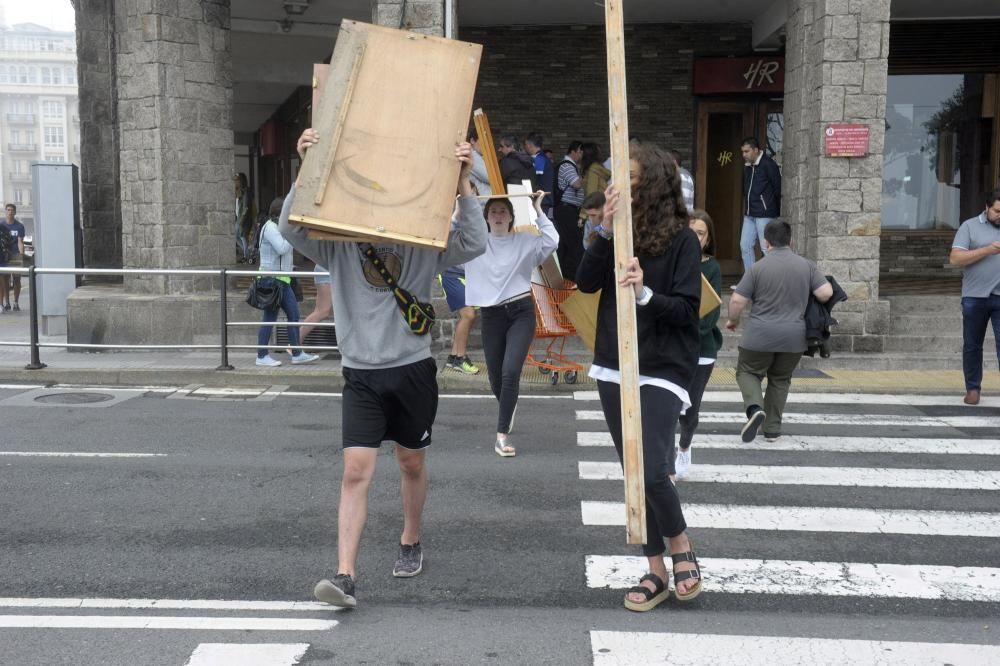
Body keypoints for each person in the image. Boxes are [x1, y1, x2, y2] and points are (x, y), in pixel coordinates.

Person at [279, 128, 487, 609]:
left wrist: (462, 181)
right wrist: (306, 164)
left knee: (410, 461)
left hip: (412, 367)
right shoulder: (338, 239)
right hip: (361, 372)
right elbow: (291, 227)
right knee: (356, 470)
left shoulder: (422, 234)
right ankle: (345, 574)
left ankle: (411, 538)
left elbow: (473, 242)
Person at [576, 141, 703, 611]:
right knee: (634, 473)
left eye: (627, 176)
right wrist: (604, 229)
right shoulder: (616, 233)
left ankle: (681, 545)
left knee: (652, 468)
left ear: (650, 181)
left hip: (664, 365)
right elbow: (586, 283)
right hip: (615, 361)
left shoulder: (684, 239)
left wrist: (645, 292)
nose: (616, 184)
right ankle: (654, 572)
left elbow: (689, 311)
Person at [465, 191, 559, 457]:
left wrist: (538, 210)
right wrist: (459, 210)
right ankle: (509, 403)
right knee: (495, 376)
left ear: (511, 217)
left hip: (521, 312)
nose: (497, 216)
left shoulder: (525, 241)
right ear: (486, 217)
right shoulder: (476, 243)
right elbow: (448, 237)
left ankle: (501, 436)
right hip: (491, 315)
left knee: (510, 371)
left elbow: (552, 240)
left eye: (502, 212)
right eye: (493, 211)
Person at [726, 220, 832, 442]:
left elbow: (737, 300)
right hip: (794, 337)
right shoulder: (807, 266)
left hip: (759, 336)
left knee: (747, 371)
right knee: (780, 379)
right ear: (790, 240)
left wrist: (732, 320)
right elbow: (825, 293)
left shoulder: (757, 268)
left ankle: (755, 409)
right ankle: (772, 429)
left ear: (766, 242)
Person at [675, 209, 723, 479]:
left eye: (701, 233)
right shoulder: (676, 261)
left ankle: (684, 445)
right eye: (691, 231)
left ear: (708, 238)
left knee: (690, 408)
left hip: (701, 348)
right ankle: (663, 458)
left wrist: (688, 330)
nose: (695, 237)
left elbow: (711, 314)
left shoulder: (712, 267)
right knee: (667, 404)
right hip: (674, 347)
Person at [949, 187, 1000, 406]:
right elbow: (955, 259)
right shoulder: (969, 226)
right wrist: (988, 250)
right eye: (997, 211)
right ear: (987, 207)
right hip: (974, 297)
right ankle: (972, 388)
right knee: (972, 345)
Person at [255, 197, 319, 368]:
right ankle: (261, 355)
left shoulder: (278, 228)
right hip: (270, 279)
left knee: (294, 315)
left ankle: (297, 353)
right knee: (270, 317)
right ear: (280, 213)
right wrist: (292, 235)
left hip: (283, 280)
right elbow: (282, 248)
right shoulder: (270, 228)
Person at [739, 137, 781, 273]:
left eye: (746, 151)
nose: (743, 155)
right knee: (745, 245)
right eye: (743, 152)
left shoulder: (769, 165)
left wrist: (771, 208)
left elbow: (777, 188)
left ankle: (774, 281)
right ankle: (751, 281)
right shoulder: (748, 167)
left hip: (765, 214)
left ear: (756, 150)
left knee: (767, 248)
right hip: (750, 214)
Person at [439, 265, 480, 375]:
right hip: (451, 274)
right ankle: (460, 359)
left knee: (467, 316)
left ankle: (453, 357)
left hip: (466, 275)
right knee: (468, 315)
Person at [554, 141, 585, 279]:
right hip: (566, 210)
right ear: (573, 151)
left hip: (569, 210)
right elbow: (577, 184)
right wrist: (586, 178)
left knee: (566, 244)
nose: (582, 155)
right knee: (574, 244)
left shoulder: (572, 166)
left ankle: (565, 275)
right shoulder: (567, 166)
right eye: (580, 152)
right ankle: (572, 276)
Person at [297, 264, 332, 345]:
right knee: (322, 311)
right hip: (327, 268)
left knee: (322, 311)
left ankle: (294, 345)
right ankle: (294, 344)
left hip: (329, 268)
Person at [2, 204, 26, 311]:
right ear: (5, 211)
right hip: (4, 256)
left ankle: (16, 302)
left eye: (12, 210)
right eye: (8, 210)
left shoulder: (19, 226)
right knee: (5, 280)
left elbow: (20, 242)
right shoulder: (1, 225)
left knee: (17, 279)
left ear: (15, 212)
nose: (10, 212)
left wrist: (22, 256)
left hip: (15, 255)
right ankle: (7, 302)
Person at [524, 133, 554, 212]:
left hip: (543, 201)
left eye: (526, 145)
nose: (525, 147)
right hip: (544, 199)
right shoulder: (540, 157)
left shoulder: (539, 159)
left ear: (530, 145)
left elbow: (535, 178)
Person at [664, 148, 695, 212]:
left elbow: (683, 203)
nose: (664, 164)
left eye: (666, 161)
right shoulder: (679, 176)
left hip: (681, 220)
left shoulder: (683, 177)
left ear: (674, 162)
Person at [235, 173, 256, 263]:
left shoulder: (246, 192)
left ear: (241, 181)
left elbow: (246, 207)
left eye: (237, 180)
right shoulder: (238, 191)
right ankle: (248, 252)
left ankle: (246, 255)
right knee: (237, 236)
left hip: (244, 219)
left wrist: (242, 220)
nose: (235, 181)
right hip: (239, 217)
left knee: (243, 236)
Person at [467, 128, 493, 198]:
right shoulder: (472, 155)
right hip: (481, 202)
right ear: (472, 141)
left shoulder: (477, 156)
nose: (487, 144)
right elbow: (491, 177)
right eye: (484, 140)